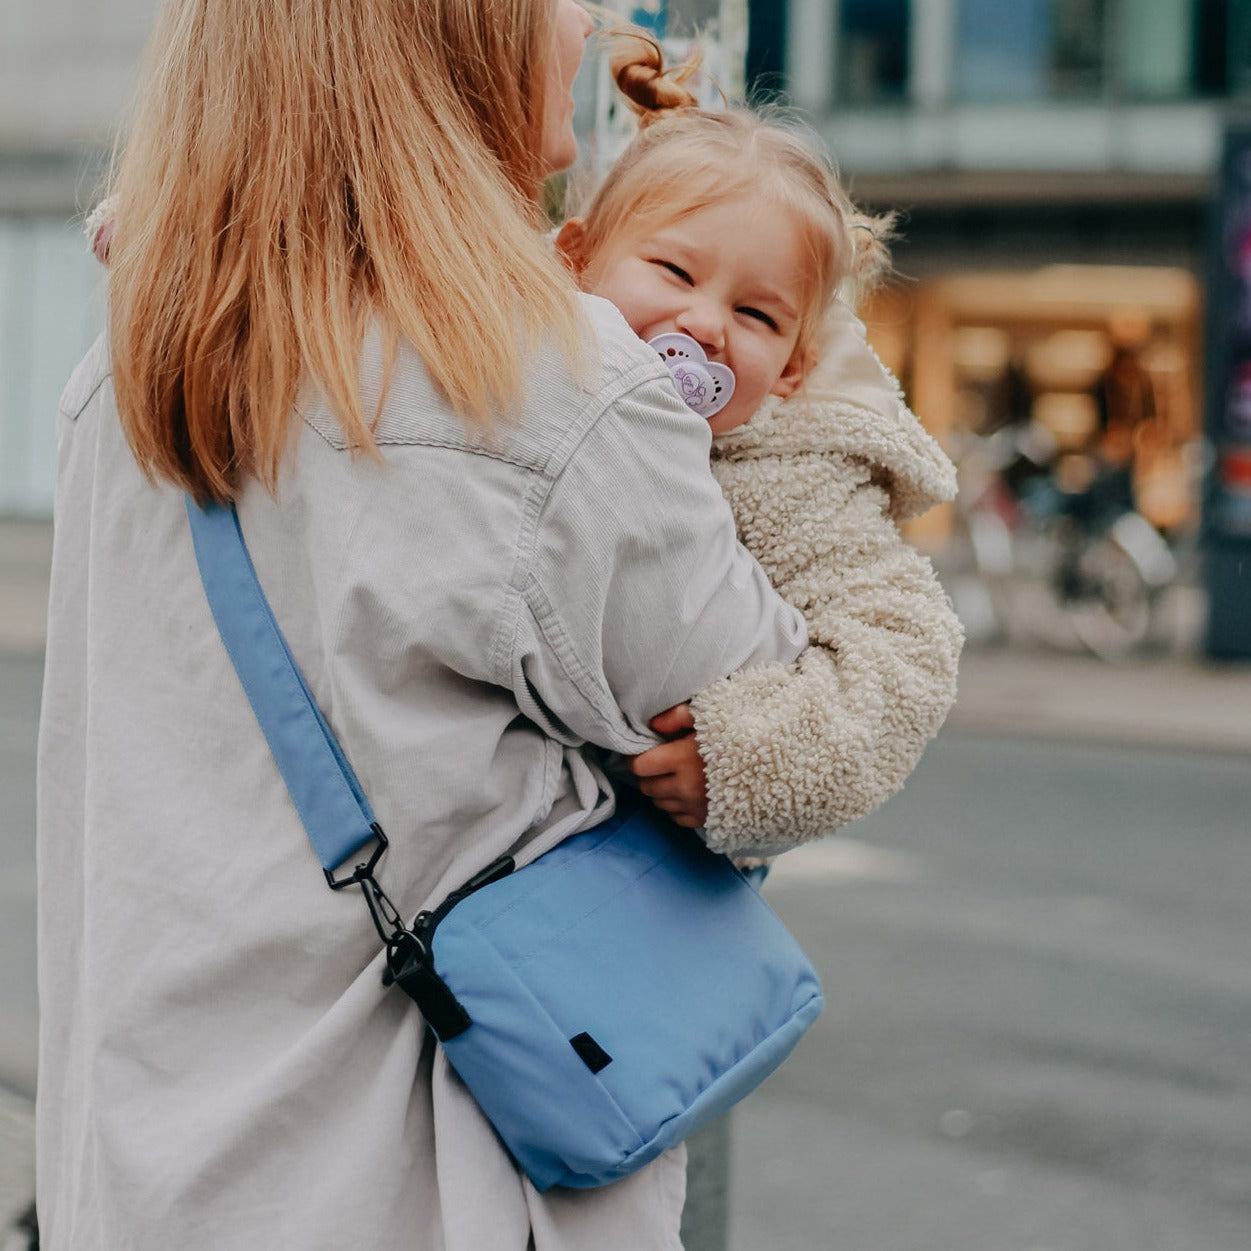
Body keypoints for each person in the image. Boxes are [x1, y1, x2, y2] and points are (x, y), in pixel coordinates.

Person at [35, 2, 814, 1248]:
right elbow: (774, 718)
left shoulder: (124, 365)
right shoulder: (540, 382)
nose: (590, 23)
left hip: (150, 1178)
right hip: (415, 1186)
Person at [557, 39, 964, 854]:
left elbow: (906, 652)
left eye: (756, 316)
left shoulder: (799, 475)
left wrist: (745, 758)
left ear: (791, 369)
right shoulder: (523, 385)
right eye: (674, 270)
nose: (705, 325)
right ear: (575, 261)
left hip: (648, 858)